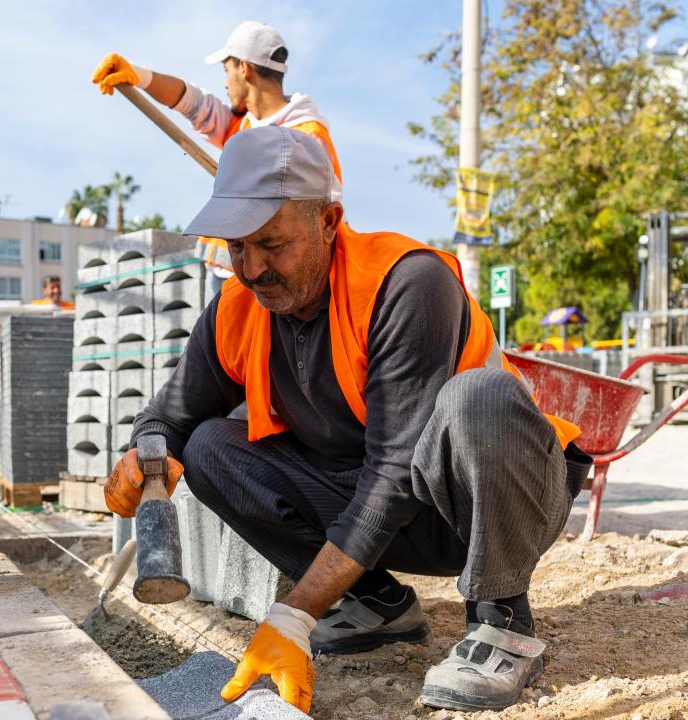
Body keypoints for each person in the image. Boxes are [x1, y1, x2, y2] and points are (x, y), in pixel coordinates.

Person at [104, 128, 590, 714]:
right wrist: (146, 455)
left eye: (272, 244)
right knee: (208, 446)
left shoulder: (405, 282)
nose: (253, 268)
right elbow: (169, 415)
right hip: (381, 506)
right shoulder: (239, 306)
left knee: (478, 397)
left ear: (329, 222)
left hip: (487, 502)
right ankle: (375, 605)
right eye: (237, 247)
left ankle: (502, 619)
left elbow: (392, 474)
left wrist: (294, 615)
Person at [92, 20, 343, 293]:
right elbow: (194, 102)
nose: (225, 82)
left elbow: (322, 215)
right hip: (227, 275)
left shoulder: (306, 137)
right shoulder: (240, 127)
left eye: (227, 69)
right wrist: (139, 77)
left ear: (244, 68)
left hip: (270, 279)